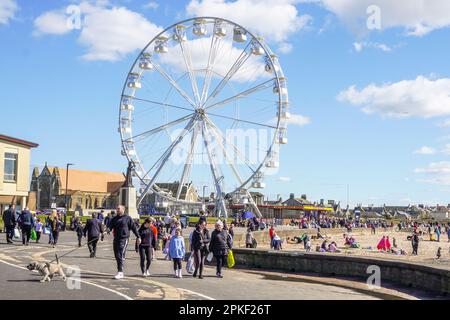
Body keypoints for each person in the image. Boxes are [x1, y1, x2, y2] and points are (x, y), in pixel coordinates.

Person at [108, 205, 140, 280]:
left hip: (124, 239)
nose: (117, 210)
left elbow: (133, 228)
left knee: (120, 254)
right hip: (116, 238)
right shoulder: (114, 219)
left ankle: (120, 272)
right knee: (116, 255)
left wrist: (138, 237)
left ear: (123, 209)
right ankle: (121, 263)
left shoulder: (128, 218)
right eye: (117, 209)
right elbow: (110, 226)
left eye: (118, 209)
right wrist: (108, 230)